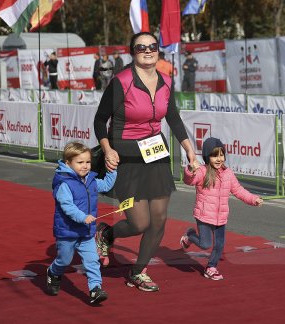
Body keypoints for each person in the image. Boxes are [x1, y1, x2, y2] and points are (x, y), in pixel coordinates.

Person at [93, 31, 198, 293]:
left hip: (156, 155)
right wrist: (108, 150)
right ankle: (107, 233)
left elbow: (172, 117)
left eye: (152, 46)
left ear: (159, 51)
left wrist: (189, 150)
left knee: (159, 220)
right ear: (132, 52)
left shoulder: (165, 81)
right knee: (139, 223)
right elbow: (99, 120)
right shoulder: (121, 81)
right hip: (127, 158)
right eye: (141, 47)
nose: (148, 51)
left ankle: (138, 271)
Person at [180, 137, 263, 280]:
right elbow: (189, 180)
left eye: (221, 155)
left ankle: (211, 267)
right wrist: (190, 170)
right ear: (207, 157)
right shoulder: (202, 171)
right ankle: (190, 236)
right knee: (205, 244)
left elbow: (238, 190)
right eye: (214, 155)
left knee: (219, 245)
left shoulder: (228, 174)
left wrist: (253, 199)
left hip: (221, 217)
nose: (219, 159)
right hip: (204, 216)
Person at [47, 141, 117, 305]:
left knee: (92, 260)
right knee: (64, 260)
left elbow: (106, 184)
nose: (85, 166)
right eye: (80, 162)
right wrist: (82, 217)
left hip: (86, 232)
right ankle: (53, 272)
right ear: (68, 163)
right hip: (67, 232)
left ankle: (95, 290)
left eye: (87, 162)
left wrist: (112, 170)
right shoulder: (64, 183)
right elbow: (67, 206)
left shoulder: (91, 180)